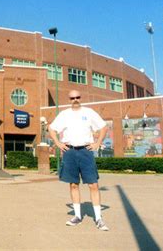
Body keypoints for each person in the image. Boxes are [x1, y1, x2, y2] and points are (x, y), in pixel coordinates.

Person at [49, 90, 109, 231]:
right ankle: (77, 216)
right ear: (69, 99)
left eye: (77, 97)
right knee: (73, 184)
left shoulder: (89, 112)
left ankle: (99, 218)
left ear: (80, 98)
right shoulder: (64, 114)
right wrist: (58, 143)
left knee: (93, 184)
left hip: (86, 151)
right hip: (69, 151)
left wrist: (97, 143)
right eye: (72, 98)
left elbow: (104, 127)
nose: (75, 100)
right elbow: (51, 128)